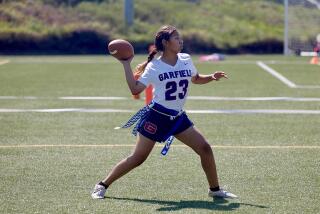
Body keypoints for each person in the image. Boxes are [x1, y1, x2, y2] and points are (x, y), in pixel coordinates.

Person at [91, 25, 237, 199]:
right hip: (157, 117)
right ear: (166, 43)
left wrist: (211, 77)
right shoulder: (154, 66)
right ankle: (101, 185)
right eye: (176, 38)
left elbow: (196, 79)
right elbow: (135, 89)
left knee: (205, 149)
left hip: (177, 117)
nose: (181, 41)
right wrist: (126, 64)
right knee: (138, 158)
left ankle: (215, 190)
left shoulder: (186, 58)